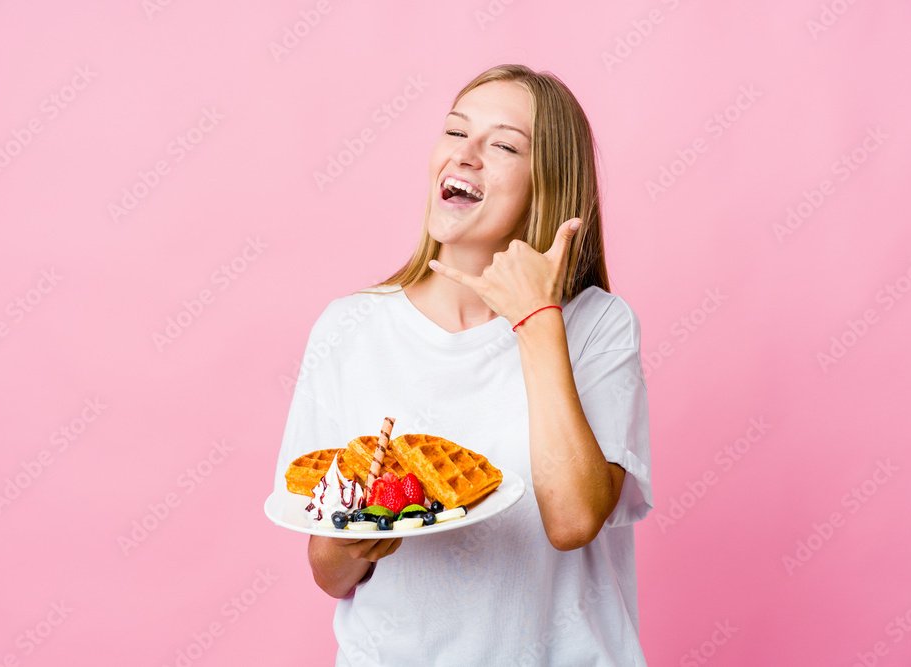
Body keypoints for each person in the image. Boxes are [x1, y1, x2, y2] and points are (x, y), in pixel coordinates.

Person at [273, 63, 652, 666]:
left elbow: (574, 520)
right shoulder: (350, 328)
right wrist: (364, 538)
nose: (466, 155)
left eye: (502, 145)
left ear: (548, 184)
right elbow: (331, 573)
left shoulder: (598, 325)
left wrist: (536, 319)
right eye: (455, 132)